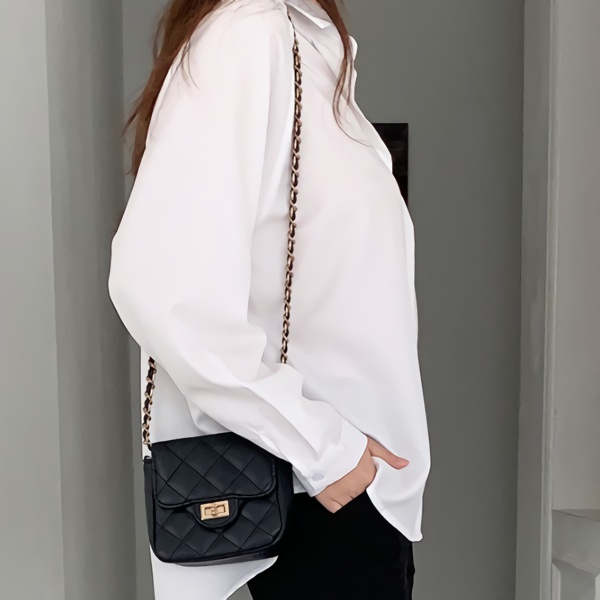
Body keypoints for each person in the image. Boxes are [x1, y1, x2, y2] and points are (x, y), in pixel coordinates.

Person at [109, 0, 430, 598]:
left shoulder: (302, 44)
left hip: (348, 489)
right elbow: (160, 285)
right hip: (313, 490)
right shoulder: (250, 35)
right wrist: (325, 449)